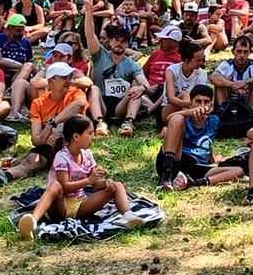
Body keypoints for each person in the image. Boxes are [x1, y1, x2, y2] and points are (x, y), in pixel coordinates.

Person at [15, 114, 144, 238]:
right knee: (55, 186)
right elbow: (64, 187)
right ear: (76, 136)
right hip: (60, 207)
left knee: (117, 185)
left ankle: (128, 216)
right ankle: (32, 221)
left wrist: (106, 183)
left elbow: (96, 184)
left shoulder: (87, 155)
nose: (93, 136)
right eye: (89, 133)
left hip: (80, 204)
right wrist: (88, 180)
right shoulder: (62, 157)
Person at [155, 83, 228, 190]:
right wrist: (190, 112)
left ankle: (193, 183)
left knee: (238, 171)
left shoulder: (214, 120)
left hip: (194, 167)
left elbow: (206, 141)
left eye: (206, 102)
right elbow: (170, 118)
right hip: (177, 159)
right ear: (191, 104)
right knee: (177, 118)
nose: (202, 105)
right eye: (198, 101)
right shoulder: (185, 119)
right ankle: (166, 175)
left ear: (211, 106)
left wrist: (213, 158)